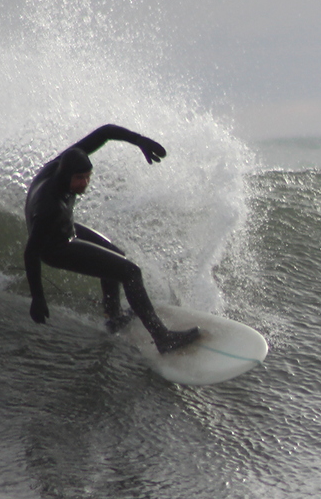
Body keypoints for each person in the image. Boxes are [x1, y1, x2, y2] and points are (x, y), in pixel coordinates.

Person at [23, 124, 200, 353]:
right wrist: (37, 298)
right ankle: (162, 337)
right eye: (79, 179)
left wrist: (139, 140)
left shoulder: (64, 163)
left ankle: (113, 316)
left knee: (116, 255)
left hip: (64, 228)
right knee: (131, 272)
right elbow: (31, 252)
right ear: (66, 175)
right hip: (54, 246)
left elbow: (105, 132)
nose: (85, 183)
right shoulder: (49, 207)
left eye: (88, 177)